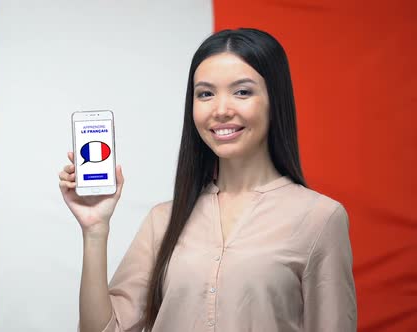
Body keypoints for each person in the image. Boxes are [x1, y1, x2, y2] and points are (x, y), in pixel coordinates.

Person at [58, 28, 357, 332]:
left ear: (274, 100)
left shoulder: (320, 218)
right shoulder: (161, 221)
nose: (221, 110)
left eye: (242, 92)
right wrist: (95, 230)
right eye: (205, 94)